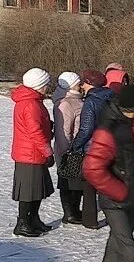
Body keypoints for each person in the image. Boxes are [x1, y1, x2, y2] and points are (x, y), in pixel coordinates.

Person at [83, 85, 134, 262]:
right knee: (130, 253)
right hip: (115, 202)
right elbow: (92, 168)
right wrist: (120, 191)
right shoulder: (109, 130)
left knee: (116, 247)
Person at [11, 68, 54, 237]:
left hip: (32, 152)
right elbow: (34, 131)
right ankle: (22, 223)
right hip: (30, 154)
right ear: (38, 85)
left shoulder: (33, 101)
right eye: (45, 84)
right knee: (28, 192)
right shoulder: (31, 104)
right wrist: (47, 151)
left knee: (37, 190)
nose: (47, 87)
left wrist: (47, 125)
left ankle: (33, 219)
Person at [73, 70, 113, 229]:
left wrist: (75, 146)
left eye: (84, 82)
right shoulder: (113, 97)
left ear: (89, 83)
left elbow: (86, 128)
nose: (82, 85)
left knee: (89, 186)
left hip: (93, 148)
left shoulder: (91, 102)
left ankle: (90, 220)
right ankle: (112, 217)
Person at [52, 72, 83, 225]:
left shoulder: (75, 100)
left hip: (76, 148)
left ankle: (75, 210)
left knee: (76, 180)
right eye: (78, 82)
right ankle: (69, 212)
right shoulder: (66, 103)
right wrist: (66, 152)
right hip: (68, 149)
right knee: (66, 179)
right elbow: (63, 131)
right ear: (71, 85)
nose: (81, 85)